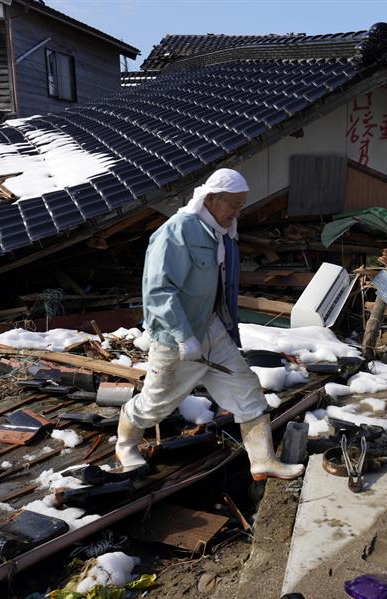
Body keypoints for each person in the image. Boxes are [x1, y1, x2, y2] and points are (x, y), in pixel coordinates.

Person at [116, 168, 304, 481]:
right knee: (156, 404)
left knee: (247, 389)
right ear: (212, 199)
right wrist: (184, 337)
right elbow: (159, 290)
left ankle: (262, 461)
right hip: (177, 336)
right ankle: (125, 444)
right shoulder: (177, 231)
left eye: (241, 204)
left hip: (211, 328)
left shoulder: (219, 230)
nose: (238, 212)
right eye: (234, 204)